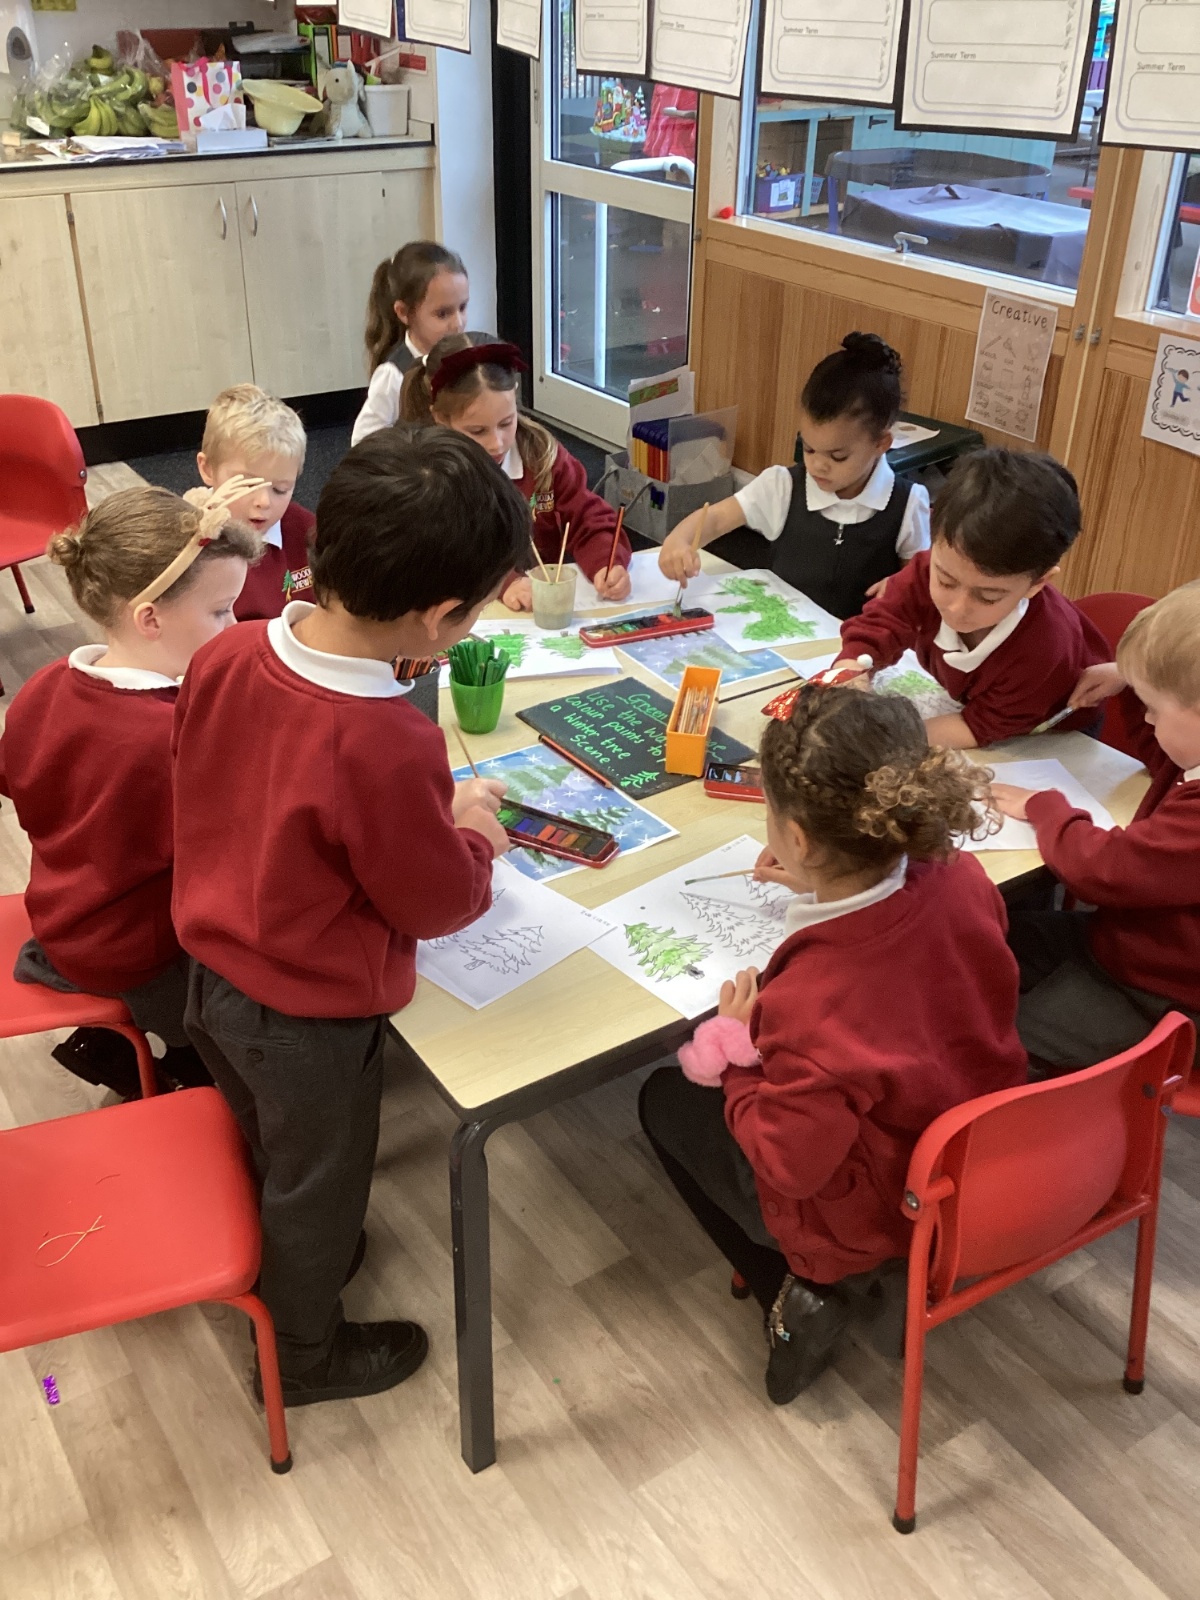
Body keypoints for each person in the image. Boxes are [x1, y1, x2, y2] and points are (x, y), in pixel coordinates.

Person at [172, 426, 526, 1407]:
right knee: (321, 1186)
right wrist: (471, 839)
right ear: (439, 617)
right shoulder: (383, 742)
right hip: (308, 1019)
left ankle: (293, 1251)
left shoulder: (230, 650)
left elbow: (256, 786)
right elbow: (434, 902)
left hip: (211, 978)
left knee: (276, 1152)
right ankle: (302, 1355)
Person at [638, 684, 1026, 1404]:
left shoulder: (811, 1004)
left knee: (663, 1100)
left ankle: (802, 1289)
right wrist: (820, 882)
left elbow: (789, 1165)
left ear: (800, 837)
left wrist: (736, 1058)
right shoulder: (962, 876)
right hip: (977, 1143)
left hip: (878, 1199)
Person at [0, 485, 259, 1097]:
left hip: (66, 913)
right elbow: (236, 856)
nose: (234, 627)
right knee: (254, 997)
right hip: (134, 949)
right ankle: (183, 1066)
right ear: (150, 618)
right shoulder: (167, 738)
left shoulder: (46, 684)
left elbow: (15, 778)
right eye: (221, 611)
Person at [993, 580, 1200, 1073]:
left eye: (1153, 707)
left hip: (1162, 995)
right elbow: (1166, 754)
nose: (1146, 718)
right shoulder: (1191, 754)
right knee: (976, 940)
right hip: (1125, 944)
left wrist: (1045, 807)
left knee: (999, 1046)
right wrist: (1129, 682)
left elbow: (1106, 869)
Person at [831, 449, 1109, 748]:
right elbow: (884, 621)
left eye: (988, 597)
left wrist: (882, 741)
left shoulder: (1045, 648)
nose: (957, 608)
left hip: (1054, 729)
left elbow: (979, 726)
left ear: (1037, 583)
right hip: (978, 705)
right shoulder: (927, 569)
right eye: (945, 581)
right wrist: (851, 668)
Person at [658, 332, 928, 619]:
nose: (818, 465)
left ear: (881, 443)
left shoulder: (908, 504)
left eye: (837, 456)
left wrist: (904, 587)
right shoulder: (783, 486)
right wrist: (679, 541)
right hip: (783, 636)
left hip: (860, 641)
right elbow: (715, 518)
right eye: (808, 448)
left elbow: (920, 580)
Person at [401, 333, 633, 606]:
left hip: (538, 609)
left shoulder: (542, 457)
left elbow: (587, 517)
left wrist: (606, 561)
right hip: (470, 612)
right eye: (478, 431)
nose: (497, 443)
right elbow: (444, 557)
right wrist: (505, 583)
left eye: (506, 423)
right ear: (441, 418)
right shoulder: (430, 474)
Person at [197, 384, 315, 621]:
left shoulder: (309, 531)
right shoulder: (190, 545)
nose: (263, 502)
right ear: (208, 469)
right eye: (248, 485)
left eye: (280, 489)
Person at [352, 241, 470, 445]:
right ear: (404, 313)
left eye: (462, 307)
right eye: (443, 314)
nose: (458, 323)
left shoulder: (466, 356)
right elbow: (362, 443)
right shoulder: (393, 375)